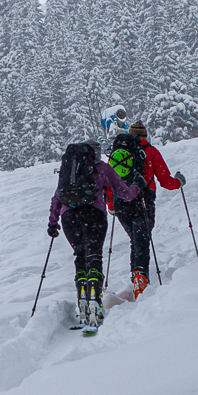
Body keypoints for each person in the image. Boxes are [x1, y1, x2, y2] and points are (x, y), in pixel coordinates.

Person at [48, 140, 139, 334]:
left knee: (80, 257)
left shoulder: (69, 170)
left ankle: (82, 302)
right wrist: (138, 187)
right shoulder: (101, 168)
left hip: (69, 217)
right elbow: (124, 193)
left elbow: (57, 197)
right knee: (94, 256)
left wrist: (53, 223)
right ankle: (95, 305)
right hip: (94, 215)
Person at [111, 121, 185, 298]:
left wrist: (112, 206)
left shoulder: (117, 155)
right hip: (143, 202)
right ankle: (140, 278)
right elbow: (165, 181)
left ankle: (137, 276)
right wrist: (179, 182)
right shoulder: (150, 152)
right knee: (141, 241)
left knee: (135, 241)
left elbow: (109, 181)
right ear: (144, 136)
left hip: (121, 203)